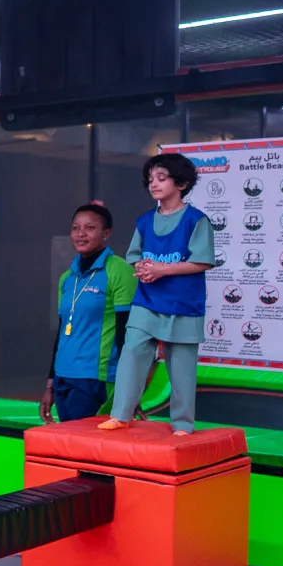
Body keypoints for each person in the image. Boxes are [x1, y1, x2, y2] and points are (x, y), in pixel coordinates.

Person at [99, 153, 215, 436]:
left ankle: (183, 425)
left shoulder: (197, 221)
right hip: (147, 300)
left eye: (161, 178)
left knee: (182, 366)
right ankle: (121, 415)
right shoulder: (144, 220)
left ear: (182, 183)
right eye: (150, 179)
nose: (154, 184)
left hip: (184, 304)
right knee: (133, 351)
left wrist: (163, 269)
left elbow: (203, 261)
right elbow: (134, 257)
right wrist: (144, 269)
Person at [40, 204, 136, 423]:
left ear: (106, 233)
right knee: (68, 448)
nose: (80, 234)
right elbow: (62, 333)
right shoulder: (67, 278)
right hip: (63, 378)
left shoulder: (119, 270)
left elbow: (126, 334)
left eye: (90, 228)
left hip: (96, 379)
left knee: (88, 448)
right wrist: (50, 384)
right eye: (75, 228)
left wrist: (129, 386)